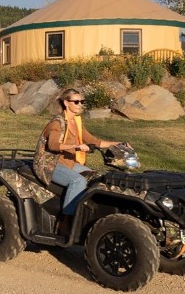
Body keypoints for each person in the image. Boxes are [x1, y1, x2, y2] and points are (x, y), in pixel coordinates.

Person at [40, 88, 123, 235]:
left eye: (82, 102)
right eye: (76, 102)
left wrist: (119, 144)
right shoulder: (57, 123)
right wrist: (76, 146)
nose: (80, 105)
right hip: (49, 164)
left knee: (96, 177)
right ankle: (65, 220)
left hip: (68, 163)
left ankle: (89, 214)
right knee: (77, 181)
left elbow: (94, 141)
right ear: (66, 103)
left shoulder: (77, 122)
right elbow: (52, 145)